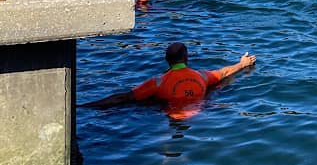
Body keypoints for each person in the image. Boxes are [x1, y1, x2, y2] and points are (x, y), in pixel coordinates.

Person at [80, 42, 256, 118]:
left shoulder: (157, 82)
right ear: (186, 58)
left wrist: (86, 106)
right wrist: (242, 63)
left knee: (142, 102)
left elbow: (123, 98)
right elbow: (224, 72)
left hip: (171, 116)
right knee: (219, 85)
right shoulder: (201, 75)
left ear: (166, 60)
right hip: (203, 115)